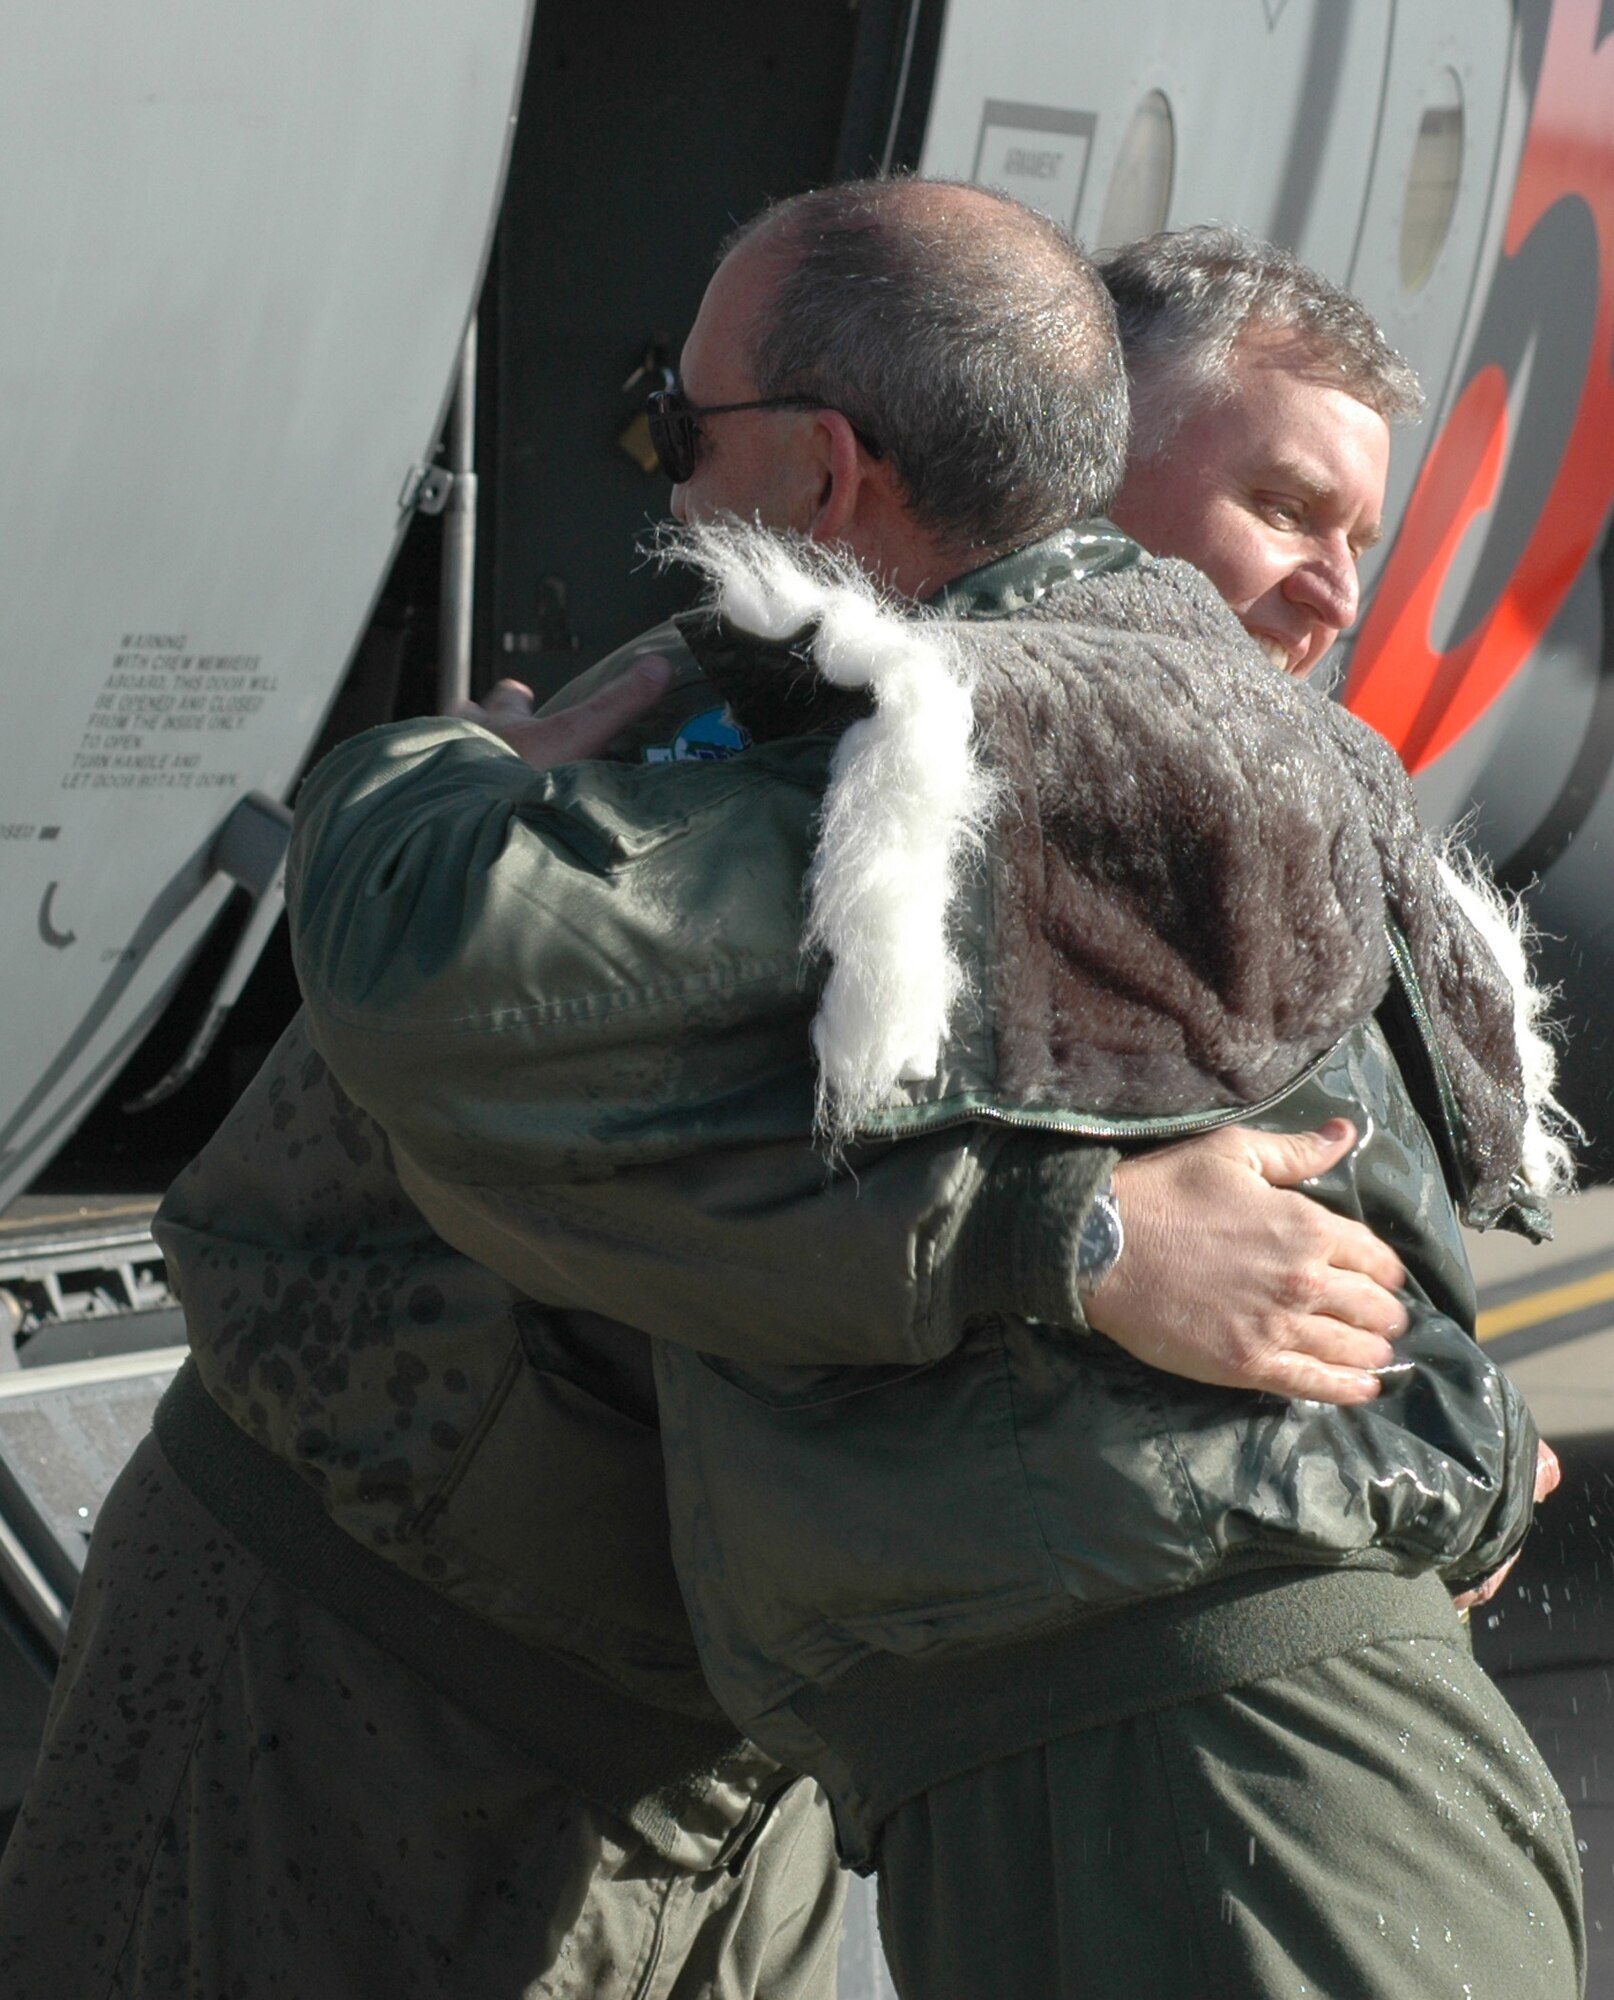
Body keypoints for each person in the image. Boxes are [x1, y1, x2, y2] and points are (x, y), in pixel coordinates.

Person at [0, 193, 1439, 2000]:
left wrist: (1426, 1453)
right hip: (371, 1715)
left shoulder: (1189, 835)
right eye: (1283, 507)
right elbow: (550, 1119)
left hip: (711, 1768)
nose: (1327, 593)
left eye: (1354, 534)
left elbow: (1363, 1206)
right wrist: (1063, 1240)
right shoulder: (768, 782)